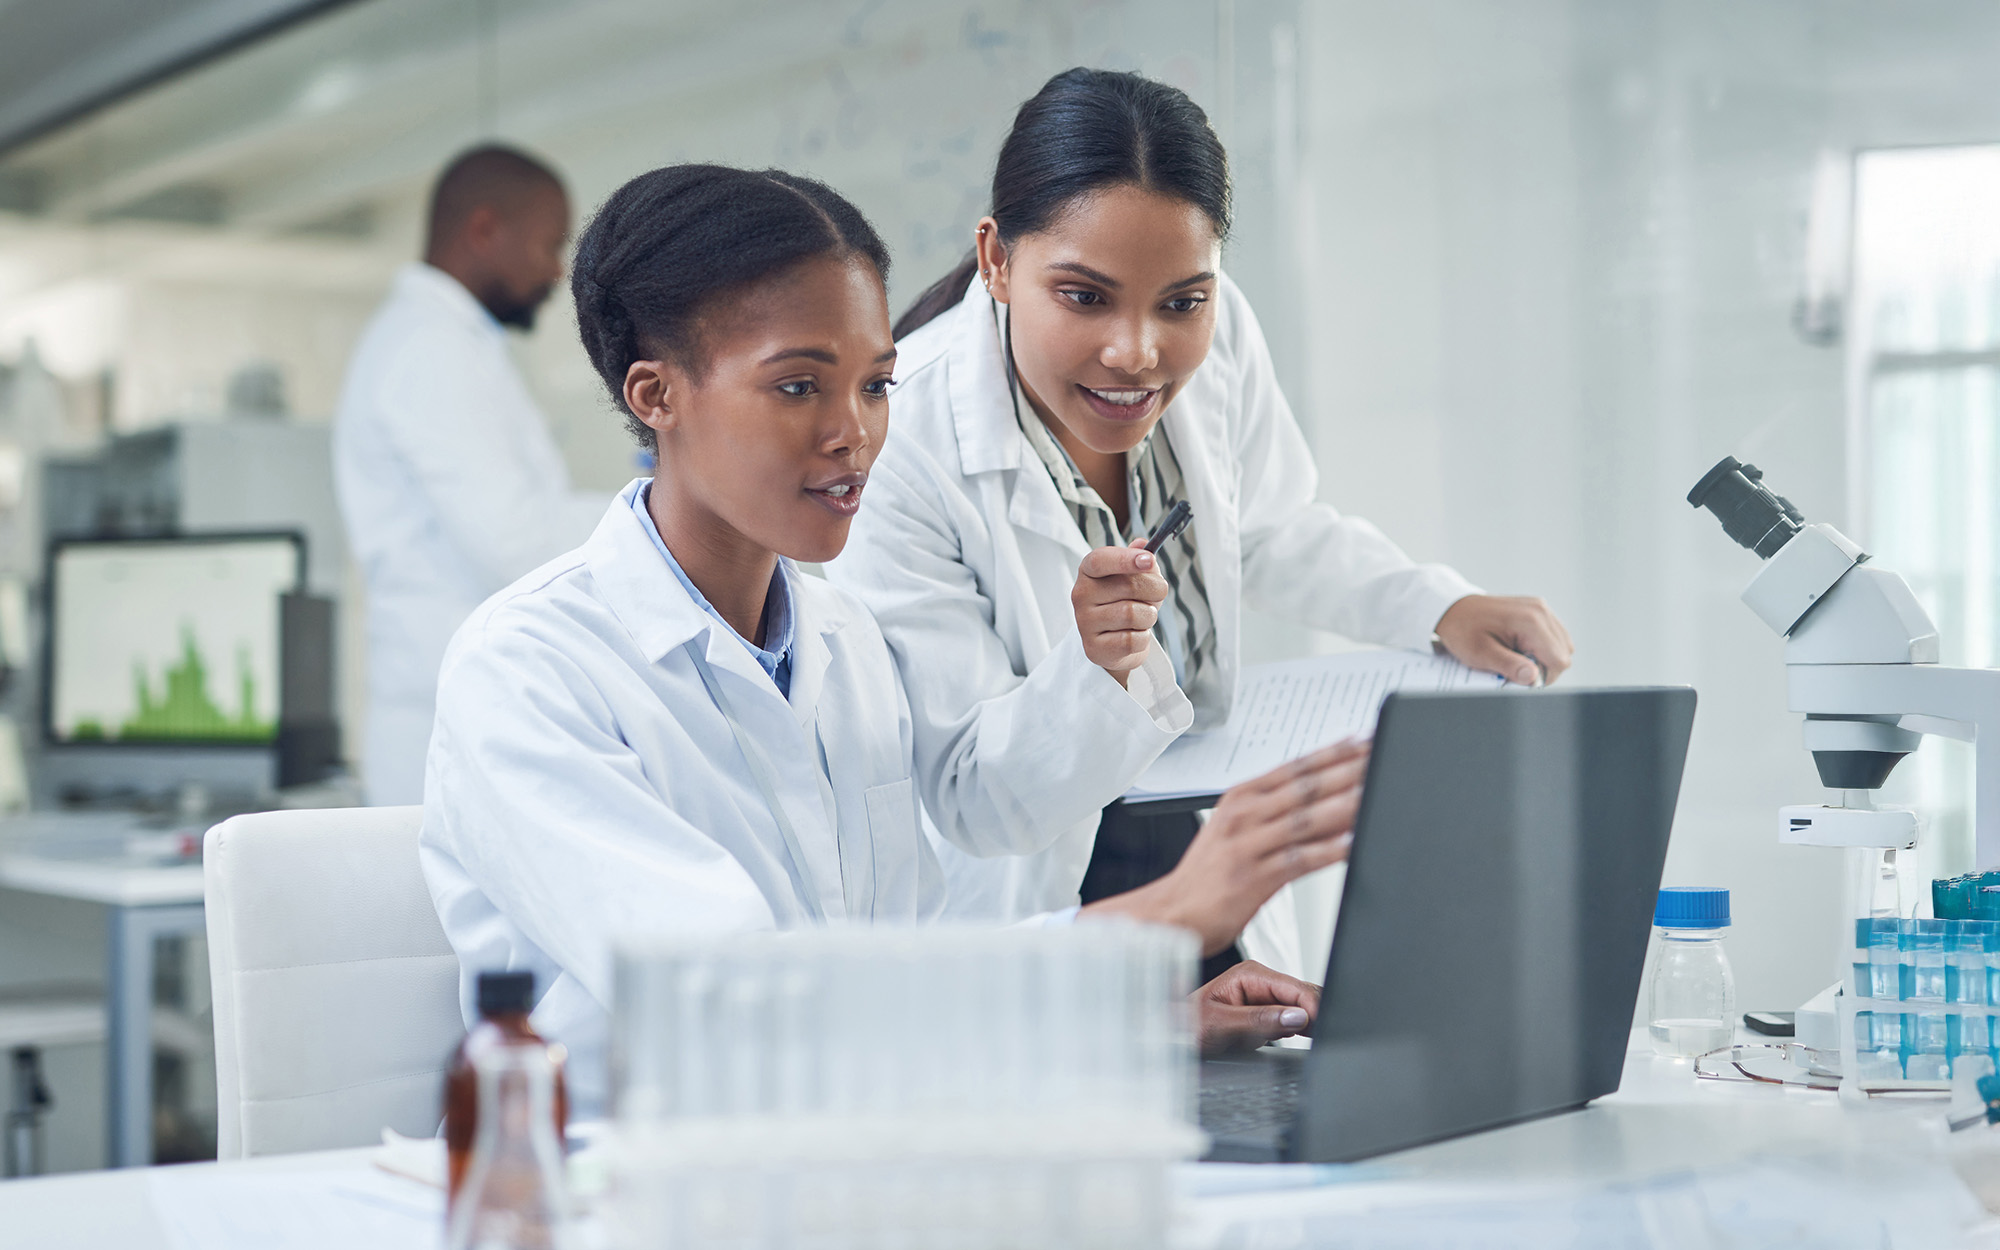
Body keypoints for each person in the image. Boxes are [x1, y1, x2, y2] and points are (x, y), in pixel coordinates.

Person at [419, 164, 1364, 1115]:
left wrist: (1136, 1022)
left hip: (846, 1156)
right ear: (656, 395)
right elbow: (737, 1000)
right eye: (798, 386)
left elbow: (906, 975)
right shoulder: (528, 670)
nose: (854, 434)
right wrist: (1160, 915)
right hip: (629, 1186)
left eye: (877, 386)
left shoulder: (844, 645)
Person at [825, 68, 1575, 973]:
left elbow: (1264, 527)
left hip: (1200, 836)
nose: (1138, 351)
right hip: (1037, 894)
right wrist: (1096, 668)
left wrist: (1433, 607)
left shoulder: (1223, 336)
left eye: (1183, 301)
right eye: (1085, 296)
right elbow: (974, 796)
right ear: (997, 259)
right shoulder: (901, 438)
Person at [334, 144, 606, 805]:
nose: (557, 269)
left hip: (461, 715)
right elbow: (514, 544)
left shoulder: (445, 344)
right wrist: (671, 508)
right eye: (549, 244)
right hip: (445, 728)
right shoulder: (430, 350)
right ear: (483, 231)